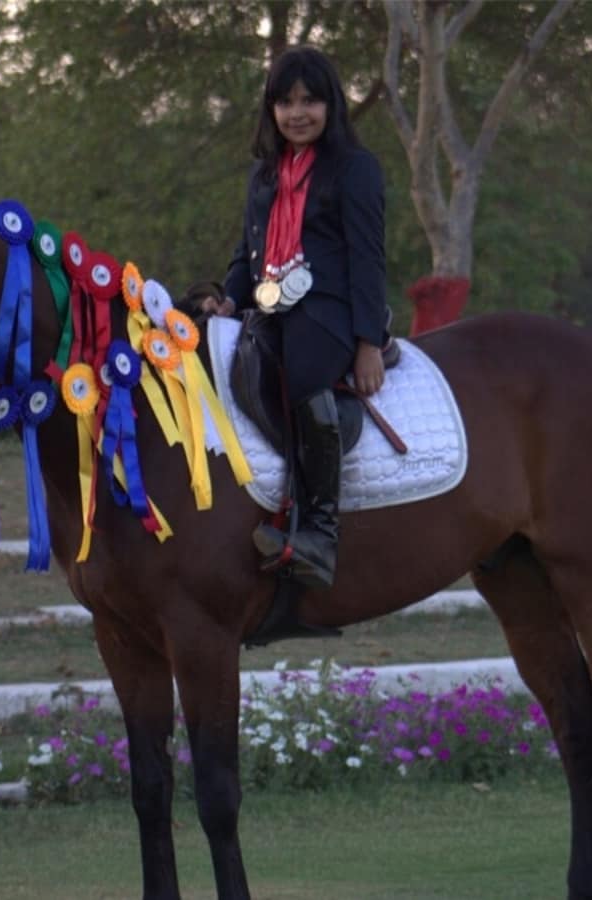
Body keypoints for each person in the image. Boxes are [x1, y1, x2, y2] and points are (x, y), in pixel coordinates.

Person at [223, 45, 388, 591]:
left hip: (331, 309)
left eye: (310, 101)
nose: (298, 114)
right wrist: (225, 298)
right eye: (286, 102)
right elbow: (248, 251)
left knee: (299, 368)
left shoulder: (354, 169)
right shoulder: (264, 175)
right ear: (271, 110)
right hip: (271, 303)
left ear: (331, 106)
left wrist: (368, 341)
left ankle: (319, 531)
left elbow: (367, 256)